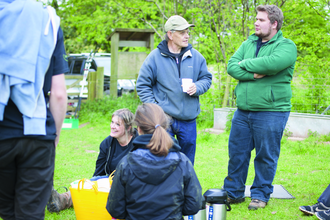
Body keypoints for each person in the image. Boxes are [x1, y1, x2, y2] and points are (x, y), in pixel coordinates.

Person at [223, 5, 297, 211]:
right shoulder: (248, 42)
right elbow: (231, 66)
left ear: (274, 24)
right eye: (256, 19)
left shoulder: (286, 46)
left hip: (271, 111)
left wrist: (244, 64)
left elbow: (272, 64)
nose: (256, 22)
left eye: (261, 20)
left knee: (265, 155)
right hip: (243, 111)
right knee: (237, 153)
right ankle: (233, 192)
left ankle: (260, 194)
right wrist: (252, 73)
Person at [0, 0, 68, 219]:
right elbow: (58, 93)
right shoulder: (48, 21)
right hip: (38, 133)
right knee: (30, 214)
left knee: (7, 212)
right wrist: (54, 137)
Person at [136, 15, 212, 165]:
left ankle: (185, 187)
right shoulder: (154, 58)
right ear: (170, 34)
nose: (187, 35)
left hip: (189, 120)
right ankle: (164, 187)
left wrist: (197, 87)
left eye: (188, 32)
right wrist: (156, 109)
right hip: (165, 120)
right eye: (182, 32)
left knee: (187, 162)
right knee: (163, 159)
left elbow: (206, 79)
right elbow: (142, 85)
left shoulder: (196, 57)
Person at [107, 103, 202, 220]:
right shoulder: (183, 161)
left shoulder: (126, 163)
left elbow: (115, 209)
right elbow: (193, 205)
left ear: (139, 129)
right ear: (165, 126)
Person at [47, 108, 138, 213]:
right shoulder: (106, 144)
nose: (112, 126)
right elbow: (99, 172)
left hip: (132, 184)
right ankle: (62, 199)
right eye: (112, 122)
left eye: (117, 124)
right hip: (111, 181)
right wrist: (94, 185)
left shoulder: (138, 143)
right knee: (90, 183)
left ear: (128, 128)